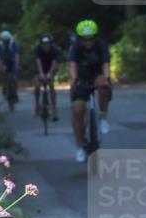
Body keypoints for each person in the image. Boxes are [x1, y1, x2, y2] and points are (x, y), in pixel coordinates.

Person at [68, 19, 111, 163]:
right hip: (81, 77)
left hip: (96, 74)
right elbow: (72, 64)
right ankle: (80, 145)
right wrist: (74, 79)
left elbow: (105, 64)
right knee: (78, 111)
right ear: (80, 39)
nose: (88, 42)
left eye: (91, 39)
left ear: (95, 37)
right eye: (84, 39)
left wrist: (107, 77)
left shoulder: (101, 45)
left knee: (103, 84)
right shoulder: (75, 47)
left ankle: (103, 117)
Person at [33, 34, 60, 121]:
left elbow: (54, 62)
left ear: (50, 44)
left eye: (48, 43)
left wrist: (49, 73)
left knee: (51, 85)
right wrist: (41, 73)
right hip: (39, 69)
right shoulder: (38, 50)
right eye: (44, 44)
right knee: (37, 85)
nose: (46, 46)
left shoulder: (54, 50)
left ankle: (54, 109)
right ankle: (37, 105)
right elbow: (38, 62)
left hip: (50, 69)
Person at [0, 30, 20, 103]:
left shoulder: (13, 44)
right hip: (3, 63)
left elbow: (16, 56)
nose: (6, 42)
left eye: (7, 40)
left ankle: (15, 91)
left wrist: (16, 65)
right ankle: (5, 87)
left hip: (12, 63)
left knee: (14, 77)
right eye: (5, 40)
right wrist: (1, 66)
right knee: (3, 74)